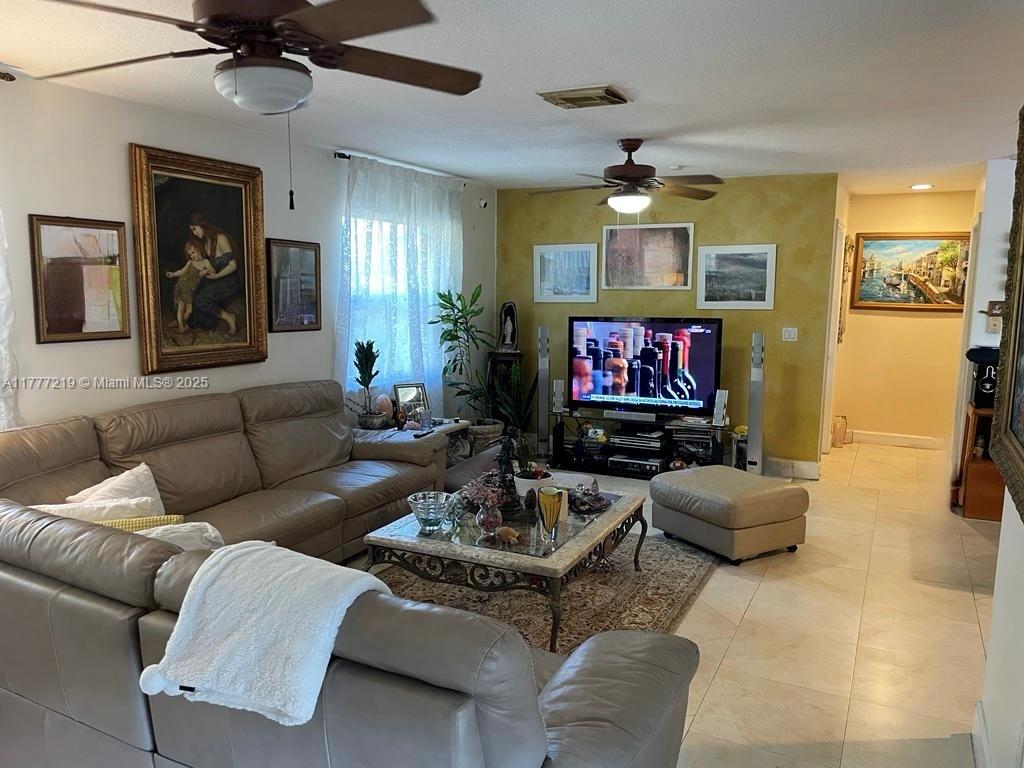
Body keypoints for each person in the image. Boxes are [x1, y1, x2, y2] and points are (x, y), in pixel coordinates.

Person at [188, 212, 240, 336]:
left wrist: (216, 276)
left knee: (202, 299)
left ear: (201, 224)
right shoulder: (206, 242)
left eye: (194, 229)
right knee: (194, 292)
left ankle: (229, 317)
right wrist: (207, 271)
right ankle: (187, 321)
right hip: (217, 277)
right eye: (192, 231)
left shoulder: (221, 238)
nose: (194, 233)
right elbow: (214, 267)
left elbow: (233, 265)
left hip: (228, 280)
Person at [165, 237, 213, 332]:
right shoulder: (190, 262)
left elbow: (214, 272)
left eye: (193, 252)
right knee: (181, 307)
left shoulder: (206, 262)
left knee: (189, 311)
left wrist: (206, 271)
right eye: (190, 254)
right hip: (182, 287)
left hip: (191, 290)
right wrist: (173, 274)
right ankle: (181, 326)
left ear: (199, 249)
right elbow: (182, 271)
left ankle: (180, 322)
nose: (192, 256)